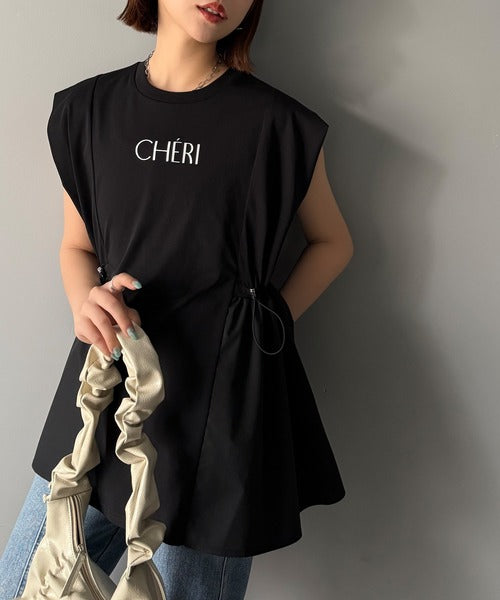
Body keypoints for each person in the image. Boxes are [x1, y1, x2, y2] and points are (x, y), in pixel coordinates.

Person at [0, 0, 354, 598]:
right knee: (28, 584)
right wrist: (85, 303)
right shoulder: (89, 110)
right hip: (104, 400)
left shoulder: (278, 124)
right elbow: (77, 246)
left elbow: (333, 243)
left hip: (223, 415)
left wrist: (262, 329)